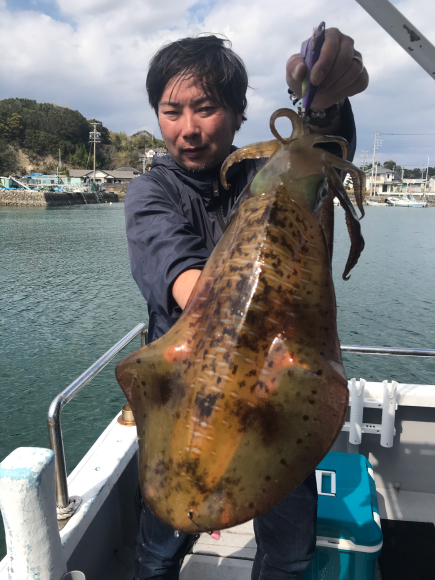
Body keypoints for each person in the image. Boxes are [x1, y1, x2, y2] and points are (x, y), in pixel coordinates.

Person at [125, 30, 368, 580]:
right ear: (157, 116)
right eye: (171, 111)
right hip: (182, 402)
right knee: (159, 546)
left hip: (271, 400)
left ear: (238, 115)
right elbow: (185, 282)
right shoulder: (150, 192)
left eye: (206, 109)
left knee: (288, 550)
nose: (187, 129)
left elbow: (313, 164)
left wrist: (321, 102)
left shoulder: (261, 179)